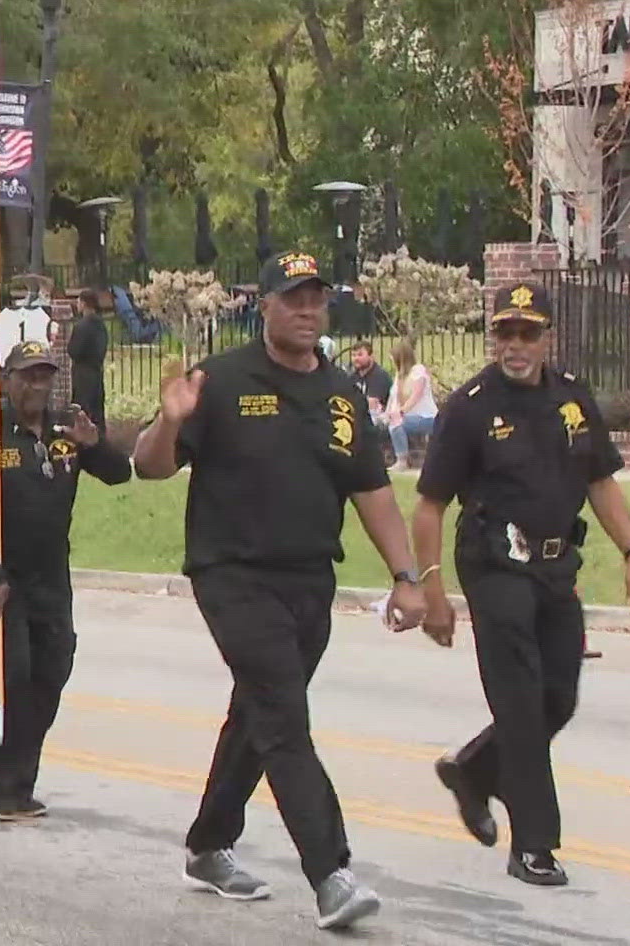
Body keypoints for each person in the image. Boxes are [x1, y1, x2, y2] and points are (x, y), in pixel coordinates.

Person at [130, 251, 425, 931]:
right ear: (263, 305)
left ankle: (208, 846)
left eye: (315, 299)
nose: (305, 310)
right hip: (232, 575)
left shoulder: (342, 395)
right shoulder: (222, 381)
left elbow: (372, 492)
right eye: (292, 298)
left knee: (260, 718)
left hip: (309, 580)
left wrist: (408, 578)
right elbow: (148, 467)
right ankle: (332, 874)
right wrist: (170, 421)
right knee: (284, 720)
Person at [411, 282, 630, 888]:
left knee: (558, 698)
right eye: (505, 333)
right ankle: (535, 846)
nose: (515, 345)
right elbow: (429, 505)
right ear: (493, 337)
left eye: (528, 333)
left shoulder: (572, 398)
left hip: (555, 566)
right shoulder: (469, 406)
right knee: (520, 705)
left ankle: (473, 771)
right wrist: (432, 590)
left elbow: (601, 481)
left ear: (548, 338)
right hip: (494, 564)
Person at [0, 340, 130, 821]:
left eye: (45, 376)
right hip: (3, 578)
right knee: (12, 676)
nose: (37, 385)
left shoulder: (63, 430)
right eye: (28, 376)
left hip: (51, 574)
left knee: (52, 671)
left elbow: (119, 475)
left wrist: (96, 446)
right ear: (8, 379)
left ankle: (22, 776)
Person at [386, 342, 438, 470]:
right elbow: (394, 398)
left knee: (397, 424)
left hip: (426, 417)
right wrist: (388, 413)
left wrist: (401, 412)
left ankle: (402, 460)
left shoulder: (418, 371)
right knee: (386, 423)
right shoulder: (399, 376)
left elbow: (416, 395)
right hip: (408, 416)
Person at [67, 289, 111, 431]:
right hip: (96, 371)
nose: (77, 304)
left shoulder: (81, 326)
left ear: (84, 304)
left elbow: (73, 350)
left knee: (83, 409)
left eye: (79, 301)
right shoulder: (101, 325)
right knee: (97, 410)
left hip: (82, 373)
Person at [346, 342, 392, 429]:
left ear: (371, 356)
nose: (356, 358)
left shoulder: (379, 375)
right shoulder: (353, 376)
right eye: (353, 355)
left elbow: (372, 403)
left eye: (360, 355)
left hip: (380, 420)